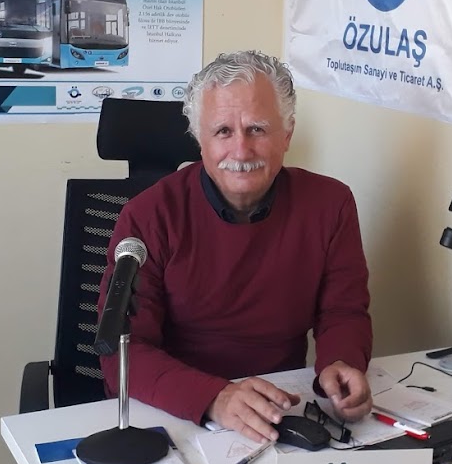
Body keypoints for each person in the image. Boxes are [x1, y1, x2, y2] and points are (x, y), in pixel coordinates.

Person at [96, 51, 373, 443]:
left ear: (287, 134)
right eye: (223, 131)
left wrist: (341, 360)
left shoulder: (330, 204)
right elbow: (123, 351)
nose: (241, 151)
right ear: (199, 139)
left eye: (257, 129)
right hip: (173, 411)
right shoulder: (147, 215)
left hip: (279, 407)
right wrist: (216, 397)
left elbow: (342, 311)